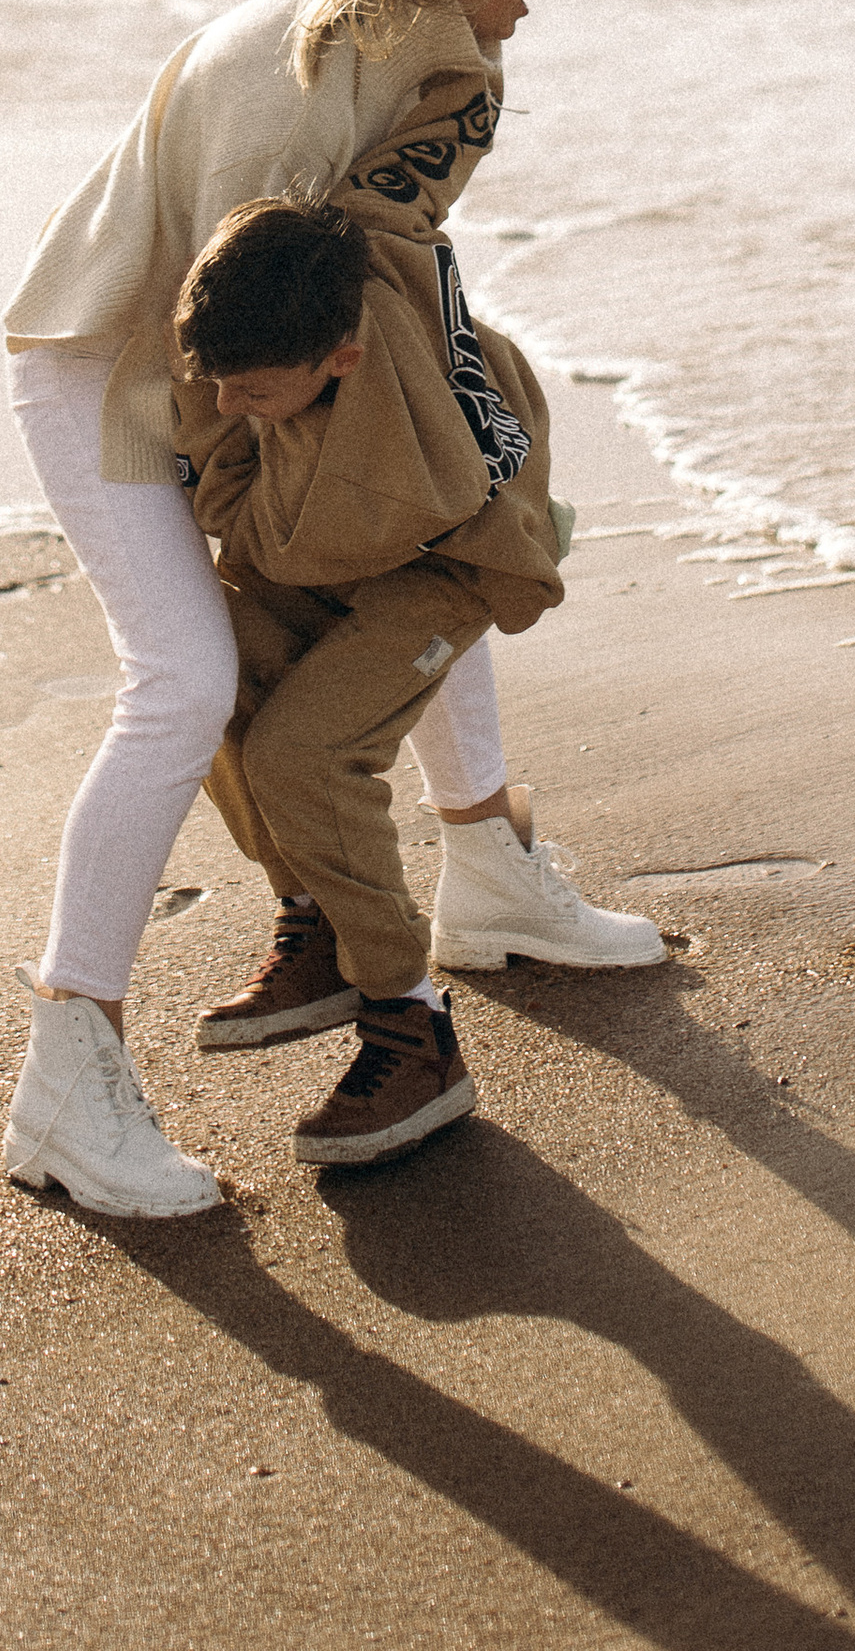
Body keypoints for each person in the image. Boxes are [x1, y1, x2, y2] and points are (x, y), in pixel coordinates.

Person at [0, 0, 665, 1221]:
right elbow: (227, 330)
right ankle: (69, 1067)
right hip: (129, 377)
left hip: (201, 359)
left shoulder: (390, 26)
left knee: (419, 517)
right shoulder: (356, 59)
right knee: (183, 688)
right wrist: (271, 484)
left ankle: (484, 868)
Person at [171, 171, 561, 1165]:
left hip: (440, 564)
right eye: (214, 379)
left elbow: (272, 534)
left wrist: (237, 493)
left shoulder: (397, 448)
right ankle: (315, 923)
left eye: (250, 394)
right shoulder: (277, 310)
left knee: (304, 758)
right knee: (197, 671)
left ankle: (409, 1023)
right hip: (331, 549)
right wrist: (236, 413)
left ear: (340, 360)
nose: (224, 403)